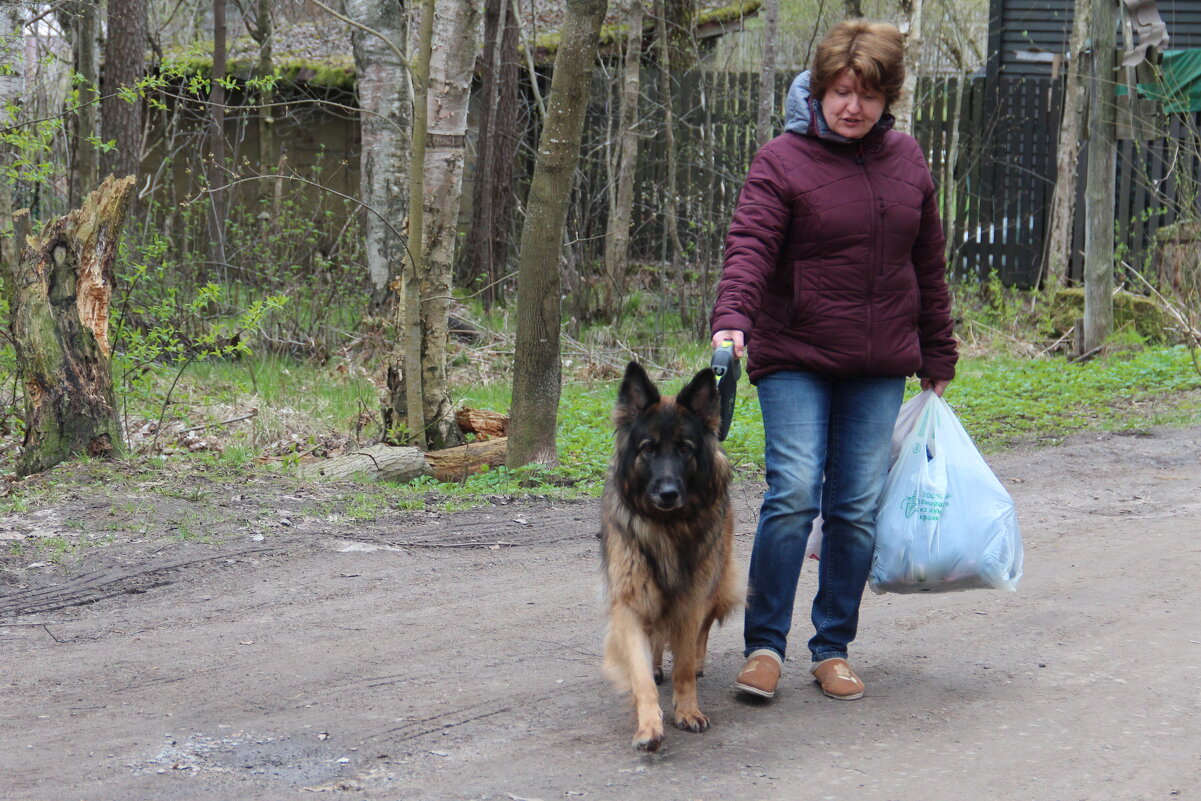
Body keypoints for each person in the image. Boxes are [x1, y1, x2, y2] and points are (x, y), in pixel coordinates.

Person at [710, 20, 958, 701]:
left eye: (868, 95)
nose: (853, 107)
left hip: (877, 361)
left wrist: (938, 348)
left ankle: (831, 647)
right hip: (795, 353)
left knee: (853, 506)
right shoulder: (781, 161)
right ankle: (762, 645)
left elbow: (926, 266)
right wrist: (731, 319)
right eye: (842, 92)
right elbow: (750, 245)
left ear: (888, 99)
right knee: (791, 492)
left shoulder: (906, 161)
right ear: (818, 90)